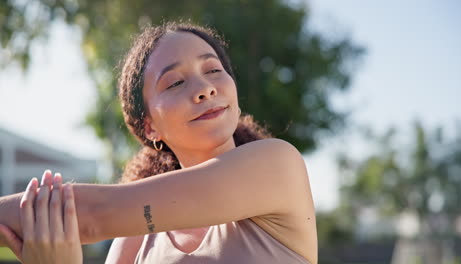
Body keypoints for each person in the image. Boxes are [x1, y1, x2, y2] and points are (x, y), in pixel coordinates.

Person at [0, 21, 317, 264]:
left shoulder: (277, 166)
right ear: (149, 127)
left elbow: (94, 216)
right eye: (176, 82)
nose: (205, 88)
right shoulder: (136, 241)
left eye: (213, 69)